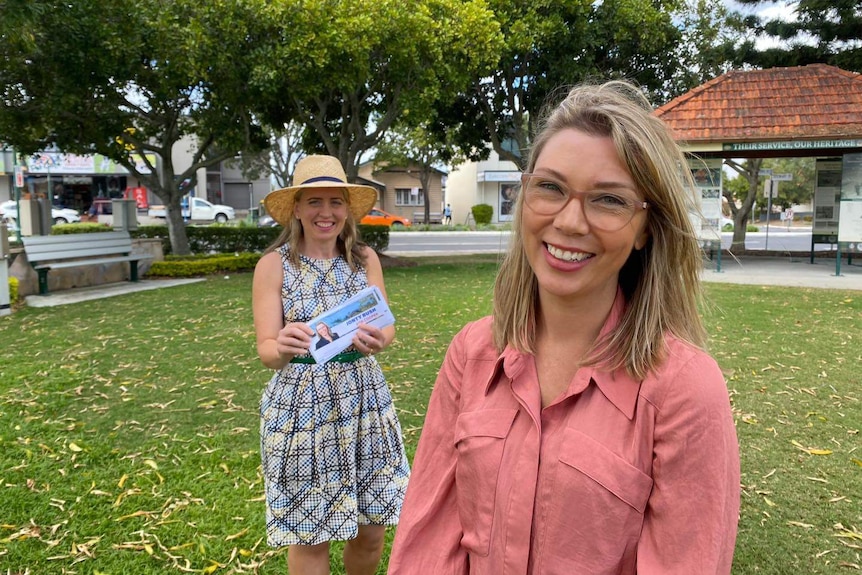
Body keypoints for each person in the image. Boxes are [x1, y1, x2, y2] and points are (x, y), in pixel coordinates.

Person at [388, 80, 740, 574]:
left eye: (609, 200)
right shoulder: (472, 353)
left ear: (645, 229)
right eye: (550, 187)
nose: (571, 222)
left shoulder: (684, 389)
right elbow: (429, 541)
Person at [252, 154, 410, 575]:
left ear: (347, 208)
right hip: (302, 407)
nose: (327, 213)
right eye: (315, 202)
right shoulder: (274, 266)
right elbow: (267, 349)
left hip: (364, 402)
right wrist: (282, 345)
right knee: (312, 533)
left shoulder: (364, 259)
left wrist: (379, 339)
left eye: (336, 202)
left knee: (372, 526)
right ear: (298, 209)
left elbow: (385, 327)